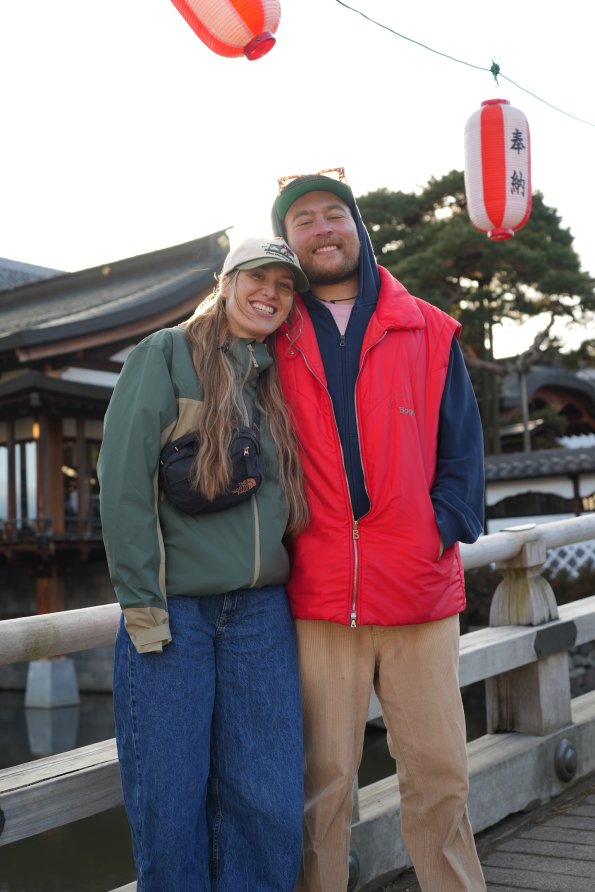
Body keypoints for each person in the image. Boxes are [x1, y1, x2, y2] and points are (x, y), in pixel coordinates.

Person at [270, 169, 487, 892]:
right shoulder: (269, 335)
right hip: (316, 592)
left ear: (357, 227)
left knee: (438, 774)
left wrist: (439, 527)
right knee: (321, 785)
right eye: (303, 221)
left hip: (417, 586)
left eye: (334, 213)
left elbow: (462, 448)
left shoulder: (425, 324)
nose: (321, 229)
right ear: (289, 242)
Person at [97, 237, 310, 892]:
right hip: (175, 614)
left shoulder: (280, 378)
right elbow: (124, 483)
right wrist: (143, 608)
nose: (269, 293)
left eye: (284, 284)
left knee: (268, 801)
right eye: (257, 277)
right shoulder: (167, 354)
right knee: (169, 802)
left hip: (260, 614)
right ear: (225, 282)